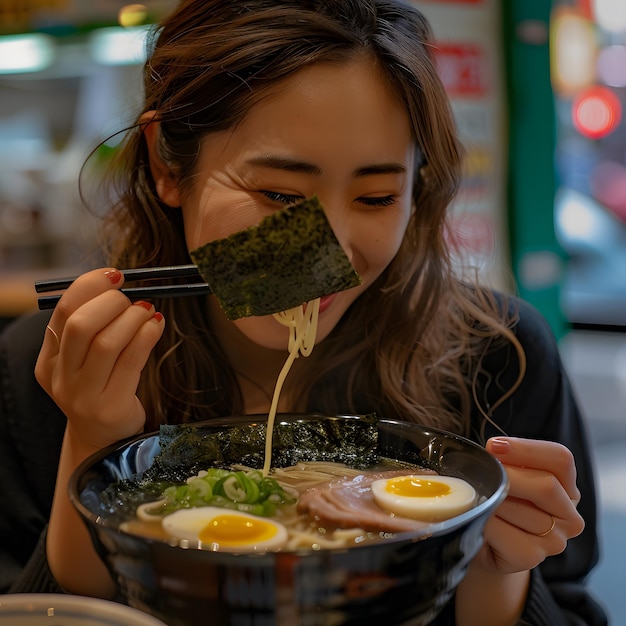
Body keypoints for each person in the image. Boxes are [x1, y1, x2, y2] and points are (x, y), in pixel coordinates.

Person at [0, 0, 607, 624]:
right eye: (279, 194)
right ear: (166, 164)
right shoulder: (38, 368)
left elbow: (571, 606)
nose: (332, 250)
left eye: (376, 196)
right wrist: (93, 438)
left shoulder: (498, 353)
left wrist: (492, 564)